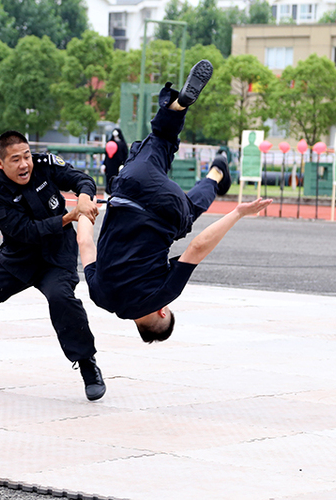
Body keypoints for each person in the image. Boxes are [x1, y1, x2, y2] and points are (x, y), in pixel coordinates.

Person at [76, 60, 273, 343]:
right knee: (160, 139)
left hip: (166, 210)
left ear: (161, 313)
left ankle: (216, 175)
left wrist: (238, 213)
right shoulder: (100, 297)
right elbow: (85, 243)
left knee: (189, 213)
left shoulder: (162, 295)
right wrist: (83, 207)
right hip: (128, 189)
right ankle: (177, 105)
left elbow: (197, 246)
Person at [0, 130, 107, 401]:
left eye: (26, 156)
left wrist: (84, 195)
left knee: (62, 298)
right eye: (16, 159)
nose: (25, 164)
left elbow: (80, 178)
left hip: (55, 256)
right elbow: (26, 232)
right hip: (19, 258)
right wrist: (70, 216)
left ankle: (87, 365)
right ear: (1, 163)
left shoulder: (44, 164)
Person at [103, 128, 129, 195]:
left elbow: (125, 155)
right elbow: (106, 155)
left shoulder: (123, 144)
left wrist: (123, 164)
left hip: (118, 165)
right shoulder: (109, 142)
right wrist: (104, 164)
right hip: (109, 165)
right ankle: (108, 192)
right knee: (108, 179)